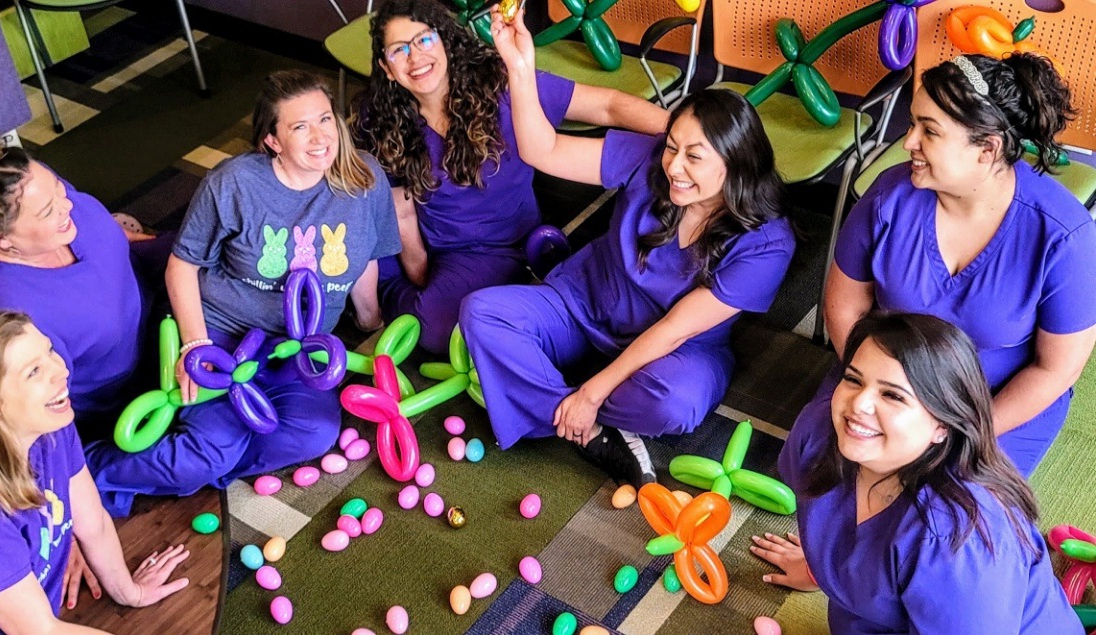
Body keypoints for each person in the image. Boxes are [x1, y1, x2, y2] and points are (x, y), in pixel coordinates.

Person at [458, 10, 795, 485]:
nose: (675, 165)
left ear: (737, 165)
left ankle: (544, 398)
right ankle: (587, 430)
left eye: (695, 156)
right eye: (672, 146)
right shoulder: (652, 159)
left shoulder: (768, 243)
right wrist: (519, 67)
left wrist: (593, 392)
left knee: (675, 404)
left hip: (674, 352)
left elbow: (676, 329)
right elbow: (544, 151)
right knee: (482, 314)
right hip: (582, 303)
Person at [84, 70, 401, 517]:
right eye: (299, 126)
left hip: (295, 348)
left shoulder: (364, 177)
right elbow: (182, 266)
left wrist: (370, 322)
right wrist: (195, 344)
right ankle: (85, 475)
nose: (320, 137)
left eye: (326, 119)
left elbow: (364, 256)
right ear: (272, 140)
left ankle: (197, 470)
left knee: (313, 434)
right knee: (206, 451)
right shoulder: (233, 182)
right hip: (222, 335)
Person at [819, 53, 1096, 475]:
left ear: (987, 149)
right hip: (887, 381)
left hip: (992, 404)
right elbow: (844, 306)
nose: (908, 142)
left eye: (929, 131)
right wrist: (871, 389)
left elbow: (1055, 369)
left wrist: (961, 431)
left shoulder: (1063, 237)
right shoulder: (890, 195)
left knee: (949, 512)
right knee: (821, 459)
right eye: (912, 123)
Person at [354, 0, 671, 354]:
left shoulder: (501, 84)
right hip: (417, 245)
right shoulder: (382, 117)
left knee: (435, 327)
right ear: (386, 66)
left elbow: (607, 105)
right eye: (399, 50)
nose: (415, 57)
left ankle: (394, 307)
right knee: (345, 246)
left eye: (424, 40)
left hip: (490, 249)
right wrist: (422, 276)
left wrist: (683, 134)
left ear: (443, 39)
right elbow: (401, 212)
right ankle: (389, 304)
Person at [754, 312, 1082, 633]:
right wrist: (823, 568)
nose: (858, 404)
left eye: (892, 395)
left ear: (943, 425)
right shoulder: (819, 430)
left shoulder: (958, 541)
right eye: (853, 379)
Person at [0, 311, 189, 634]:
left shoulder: (51, 427)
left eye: (49, 351)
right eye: (34, 371)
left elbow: (95, 525)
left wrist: (132, 592)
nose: (61, 370)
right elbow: (41, 632)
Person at [0, 130, 169, 442]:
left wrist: (123, 239)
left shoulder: (40, 190)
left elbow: (70, 207)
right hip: (129, 393)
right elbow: (41, 416)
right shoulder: (3, 313)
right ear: (0, 239)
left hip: (150, 287)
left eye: (61, 192)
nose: (67, 206)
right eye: (48, 211)